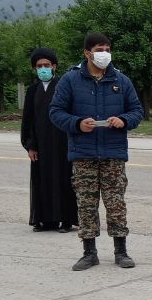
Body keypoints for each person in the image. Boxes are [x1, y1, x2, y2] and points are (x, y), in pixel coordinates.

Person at [49, 32, 143, 270]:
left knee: (116, 203)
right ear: (87, 53)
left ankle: (121, 251)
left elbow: (136, 111)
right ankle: (89, 252)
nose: (105, 54)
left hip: (113, 153)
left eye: (108, 49)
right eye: (100, 49)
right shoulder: (70, 80)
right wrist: (77, 123)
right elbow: (56, 112)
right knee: (86, 204)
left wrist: (124, 120)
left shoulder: (121, 81)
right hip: (83, 153)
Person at [20, 48, 78, 233]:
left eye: (47, 65)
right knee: (41, 180)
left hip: (62, 143)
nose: (43, 68)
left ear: (54, 67)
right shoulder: (32, 90)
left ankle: (66, 220)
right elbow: (27, 120)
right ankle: (44, 220)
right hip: (41, 145)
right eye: (39, 66)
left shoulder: (64, 86)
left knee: (63, 180)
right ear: (34, 69)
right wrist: (30, 145)